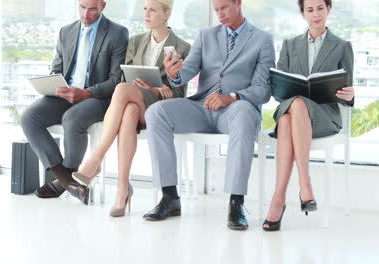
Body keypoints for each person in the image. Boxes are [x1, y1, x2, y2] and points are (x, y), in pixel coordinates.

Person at [142, 0, 275, 230]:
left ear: (238, 3)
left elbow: (263, 90)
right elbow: (186, 73)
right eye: (216, 10)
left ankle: (236, 203)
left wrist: (232, 97)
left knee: (243, 111)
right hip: (203, 108)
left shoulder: (262, 39)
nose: (220, 15)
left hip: (235, 110)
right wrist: (174, 74)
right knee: (156, 112)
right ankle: (170, 197)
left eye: (224, 8)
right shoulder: (206, 35)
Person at [71, 0, 191, 217]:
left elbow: (181, 93)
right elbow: (127, 77)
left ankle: (95, 159)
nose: (146, 14)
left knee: (122, 89)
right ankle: (122, 191)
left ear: (167, 14)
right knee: (129, 112)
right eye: (145, 9)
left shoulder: (182, 47)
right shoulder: (135, 42)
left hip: (159, 110)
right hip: (135, 102)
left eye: (152, 10)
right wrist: (143, 87)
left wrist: (157, 89)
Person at [20, 0, 129, 204]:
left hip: (98, 97)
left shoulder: (117, 33)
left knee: (72, 118)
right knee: (29, 117)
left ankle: (62, 181)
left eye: (92, 9)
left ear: (103, 6)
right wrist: (54, 81)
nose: (86, 14)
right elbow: (57, 67)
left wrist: (86, 93)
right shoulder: (66, 32)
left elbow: (116, 80)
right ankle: (68, 180)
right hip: (65, 95)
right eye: (82, 7)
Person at [262, 0, 355, 231]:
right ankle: (303, 188)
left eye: (320, 8)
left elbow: (347, 91)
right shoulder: (290, 45)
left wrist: (351, 95)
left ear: (329, 9)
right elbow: (279, 92)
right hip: (292, 110)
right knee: (291, 111)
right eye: (310, 9)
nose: (315, 14)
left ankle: (280, 199)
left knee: (287, 119)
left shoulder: (342, 46)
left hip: (325, 116)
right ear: (303, 13)